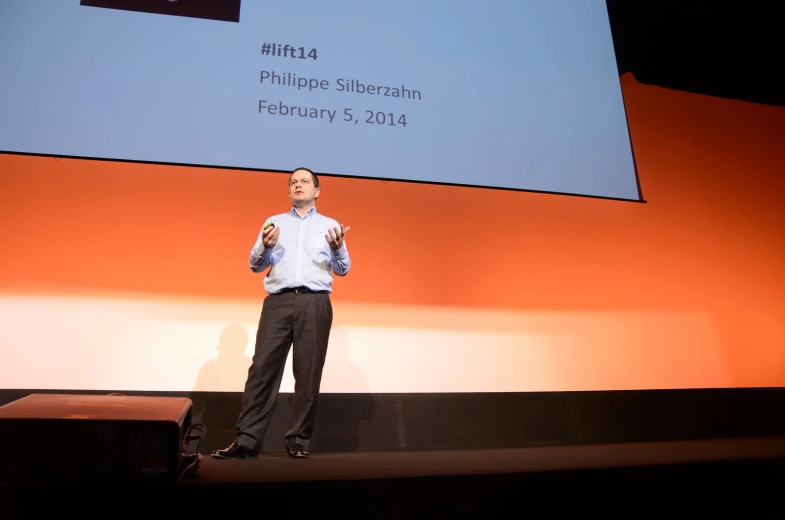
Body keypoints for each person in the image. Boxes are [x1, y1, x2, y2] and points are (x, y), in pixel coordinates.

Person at [211, 167, 351, 460]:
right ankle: (247, 441)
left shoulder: (330, 225)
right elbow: (254, 265)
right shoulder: (273, 223)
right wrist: (265, 245)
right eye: (293, 182)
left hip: (315, 303)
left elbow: (343, 269)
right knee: (261, 371)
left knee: (308, 375)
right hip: (278, 302)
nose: (298, 185)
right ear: (289, 191)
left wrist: (338, 250)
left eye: (304, 182)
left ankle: (298, 440)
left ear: (317, 191)